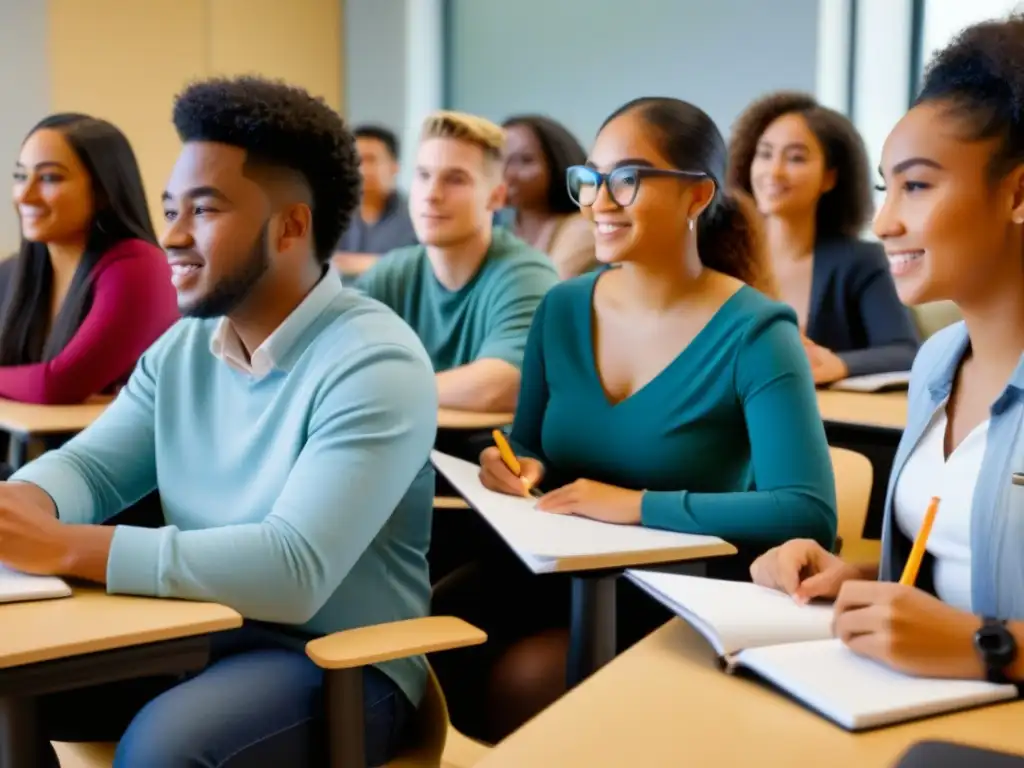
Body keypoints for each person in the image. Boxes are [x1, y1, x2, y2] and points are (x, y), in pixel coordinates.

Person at [0, 76, 438, 767]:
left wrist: (60, 546)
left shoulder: (375, 360)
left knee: (162, 753)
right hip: (194, 626)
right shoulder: (182, 349)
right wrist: (22, 504)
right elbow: (89, 466)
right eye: (171, 208)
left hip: (337, 660)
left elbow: (292, 570)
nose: (170, 235)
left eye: (202, 210)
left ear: (291, 226)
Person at [432, 96, 837, 743]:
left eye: (627, 179)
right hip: (556, 572)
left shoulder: (758, 332)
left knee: (527, 675)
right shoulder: (561, 308)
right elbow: (532, 446)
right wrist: (512, 465)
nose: (599, 200)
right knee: (433, 624)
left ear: (697, 196)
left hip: (680, 587)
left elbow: (808, 512)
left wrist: (634, 504)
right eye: (590, 179)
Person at [750, 14, 1024, 691]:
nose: (884, 221)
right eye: (885, 186)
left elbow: (982, 624)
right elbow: (964, 568)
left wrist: (991, 648)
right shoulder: (937, 365)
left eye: (918, 185)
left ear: (1018, 193)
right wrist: (864, 579)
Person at [355, 111, 559, 413]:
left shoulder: (526, 274)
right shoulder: (393, 272)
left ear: (496, 197)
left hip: (487, 455)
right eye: (423, 175)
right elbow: (327, 356)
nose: (431, 195)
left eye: (455, 179)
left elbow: (502, 386)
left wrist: (377, 390)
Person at [729, 92, 919, 384]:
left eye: (795, 158)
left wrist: (835, 364)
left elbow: (905, 351)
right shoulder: (719, 255)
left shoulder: (862, 262)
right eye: (765, 154)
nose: (774, 171)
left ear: (830, 178)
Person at [0, 114, 177, 404]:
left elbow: (58, 385)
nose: (25, 195)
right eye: (21, 176)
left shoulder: (140, 268)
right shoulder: (14, 271)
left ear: (103, 192)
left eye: (49, 177)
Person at [502, 114, 596, 278]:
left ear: (557, 164)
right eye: (499, 159)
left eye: (525, 160)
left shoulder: (582, 229)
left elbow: (545, 293)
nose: (506, 173)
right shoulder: (501, 231)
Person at [332, 124, 417, 278]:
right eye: (355, 161)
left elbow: (423, 268)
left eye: (370, 160)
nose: (362, 169)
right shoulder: (331, 214)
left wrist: (370, 264)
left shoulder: (417, 215)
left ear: (394, 167)